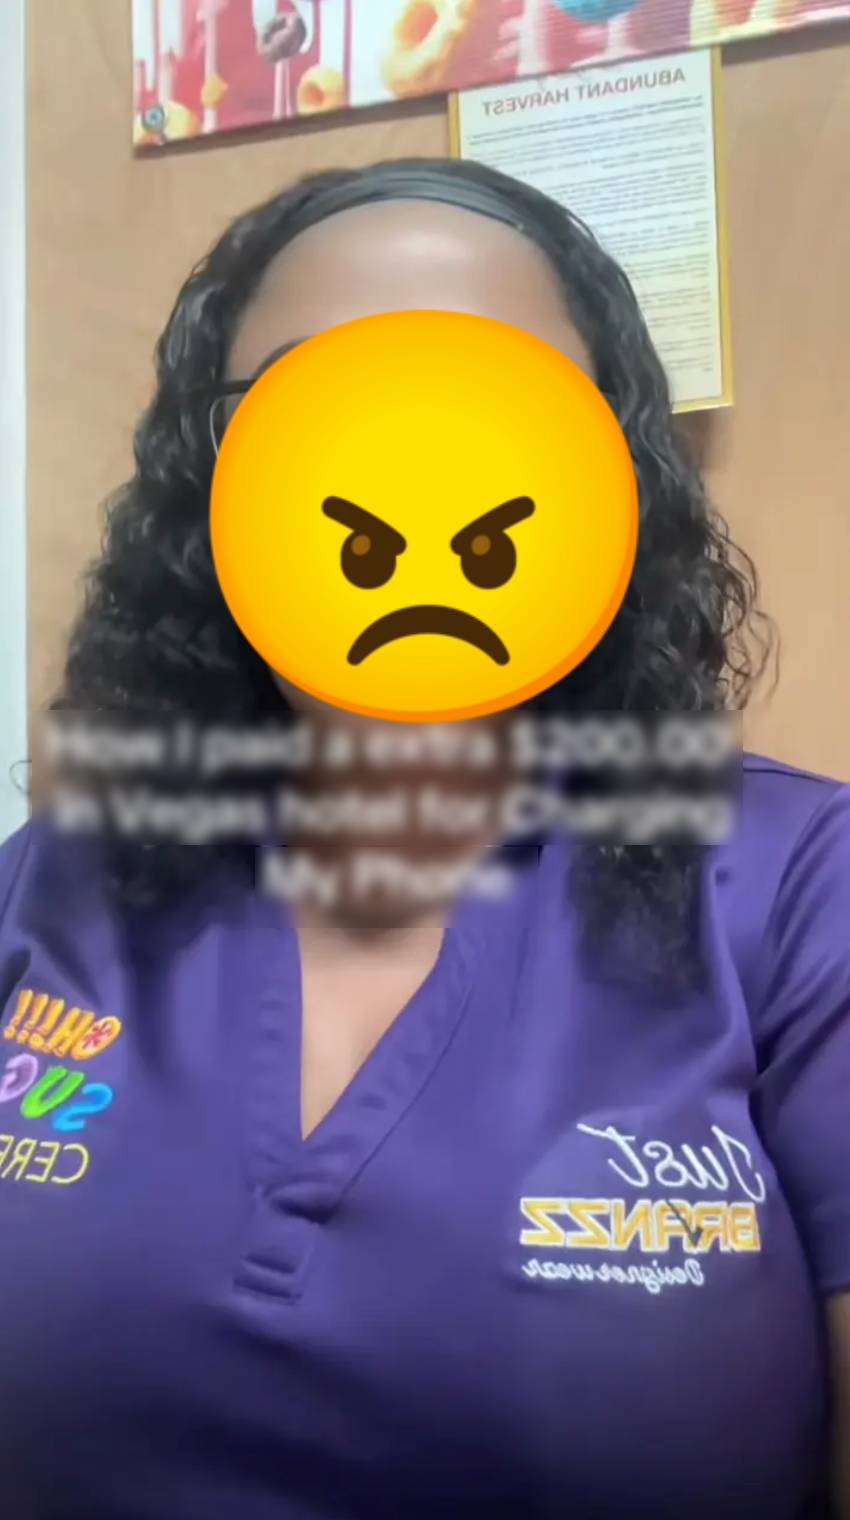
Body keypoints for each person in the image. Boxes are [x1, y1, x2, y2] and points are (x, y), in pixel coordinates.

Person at [1, 156, 849, 1520]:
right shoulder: (53, 881)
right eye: (315, 404)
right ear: (207, 488)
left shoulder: (806, 889)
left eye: (489, 404)